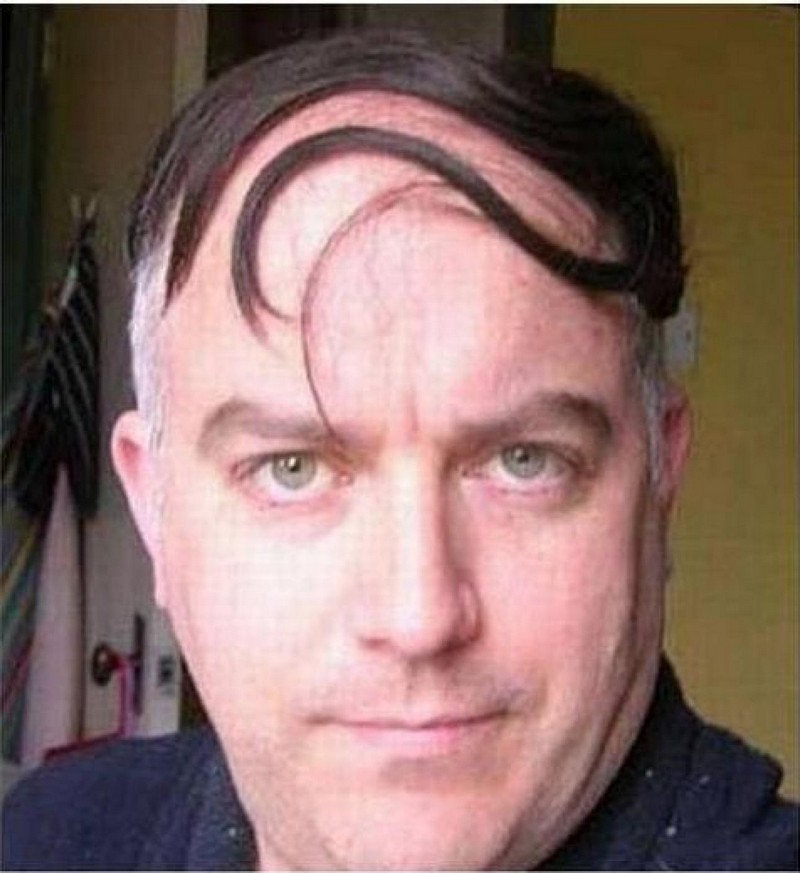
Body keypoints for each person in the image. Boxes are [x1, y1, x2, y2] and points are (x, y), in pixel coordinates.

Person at [3, 30, 797, 871]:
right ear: (154, 508)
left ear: (660, 477)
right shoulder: (49, 838)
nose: (419, 618)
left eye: (524, 460)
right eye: (292, 468)